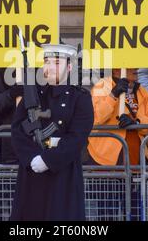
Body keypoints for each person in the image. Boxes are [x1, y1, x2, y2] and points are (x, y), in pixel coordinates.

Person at [10, 44, 94, 221]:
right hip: (32, 173)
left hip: (62, 174)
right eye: (47, 62)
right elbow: (17, 130)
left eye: (57, 62)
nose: (50, 67)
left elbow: (77, 137)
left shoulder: (80, 98)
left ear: (69, 67)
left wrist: (48, 160)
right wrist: (31, 157)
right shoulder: (33, 95)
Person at [87, 68, 148, 166]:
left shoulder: (141, 91)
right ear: (116, 70)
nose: (135, 68)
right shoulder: (101, 86)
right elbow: (95, 118)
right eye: (129, 65)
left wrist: (137, 123)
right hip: (106, 161)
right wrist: (113, 95)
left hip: (137, 160)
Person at [0, 68, 23, 163]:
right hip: (11, 147)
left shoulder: (49, 69)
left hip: (40, 146)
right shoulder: (4, 71)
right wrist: (11, 94)